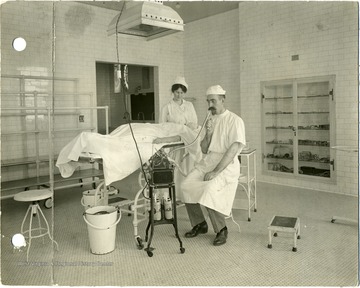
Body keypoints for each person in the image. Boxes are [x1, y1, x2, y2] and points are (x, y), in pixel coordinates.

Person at [180, 85, 246, 246]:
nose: (210, 104)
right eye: (208, 101)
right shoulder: (210, 120)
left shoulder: (235, 121)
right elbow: (203, 149)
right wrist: (208, 134)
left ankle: (221, 229)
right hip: (209, 161)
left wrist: (216, 172)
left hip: (226, 164)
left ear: (223, 100)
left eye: (213, 100)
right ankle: (200, 224)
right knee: (186, 185)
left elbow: (232, 151)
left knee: (209, 190)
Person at [154, 76, 199, 201]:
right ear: (172, 92)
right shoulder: (167, 107)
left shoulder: (189, 106)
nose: (179, 95)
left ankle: (185, 196)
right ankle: (174, 197)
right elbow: (162, 126)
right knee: (175, 168)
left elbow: (194, 122)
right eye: (177, 92)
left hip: (186, 141)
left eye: (182, 93)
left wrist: (187, 127)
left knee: (186, 168)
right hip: (173, 141)